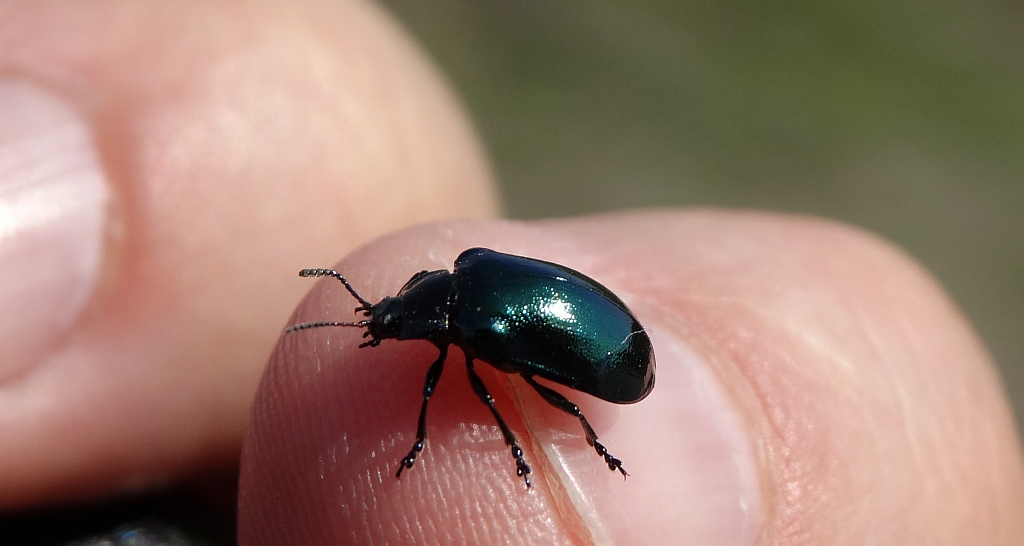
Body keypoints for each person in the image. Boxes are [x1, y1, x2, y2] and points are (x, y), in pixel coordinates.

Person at [1, 1, 1021, 543]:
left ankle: (586, 453)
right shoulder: (463, 283)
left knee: (519, 407)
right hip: (603, 336)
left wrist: (559, 446)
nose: (385, 327)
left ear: (427, 320)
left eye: (393, 323)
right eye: (391, 322)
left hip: (615, 357)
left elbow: (513, 388)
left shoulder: (468, 320)